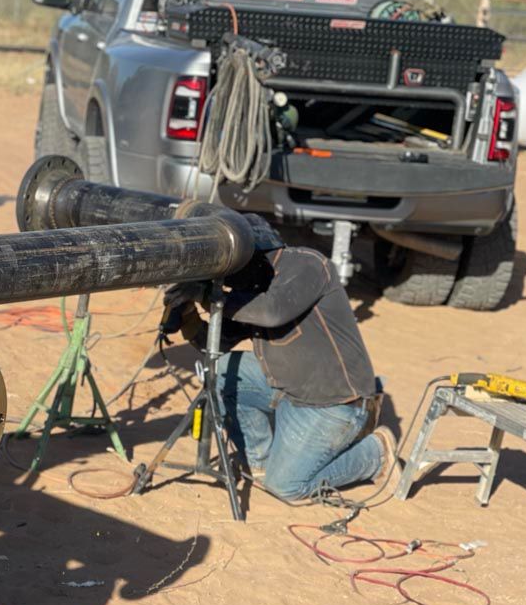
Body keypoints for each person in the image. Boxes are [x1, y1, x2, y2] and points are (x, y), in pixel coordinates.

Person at [162, 214, 396, 502]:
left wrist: (208, 294)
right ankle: (259, 462)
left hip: (333, 404)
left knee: (287, 487)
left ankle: (375, 453)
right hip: (288, 388)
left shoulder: (308, 265)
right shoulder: (252, 288)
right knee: (221, 371)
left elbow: (272, 311)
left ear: (257, 256)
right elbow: (220, 342)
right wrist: (186, 314)